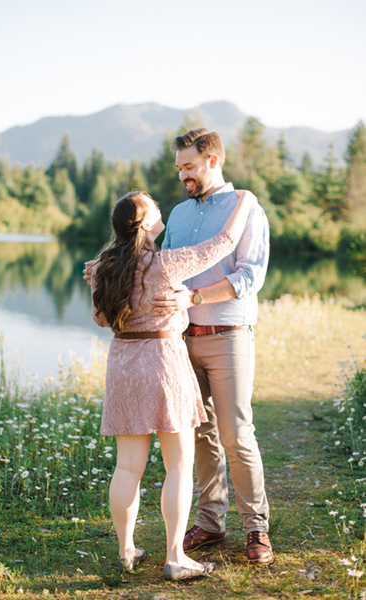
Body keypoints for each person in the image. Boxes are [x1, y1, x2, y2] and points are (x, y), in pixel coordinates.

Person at [89, 187, 256, 581]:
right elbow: (224, 243)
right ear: (146, 224)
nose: (162, 210)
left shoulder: (102, 268)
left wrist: (99, 274)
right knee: (178, 464)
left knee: (127, 466)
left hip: (123, 365)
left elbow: (100, 319)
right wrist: (245, 200)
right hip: (163, 362)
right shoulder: (166, 264)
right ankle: (175, 557)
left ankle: (126, 550)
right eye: (155, 209)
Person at [151, 128, 272, 564]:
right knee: (200, 434)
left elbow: (249, 277)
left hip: (229, 337)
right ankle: (210, 523)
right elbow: (161, 267)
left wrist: (197, 297)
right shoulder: (179, 214)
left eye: (189, 166)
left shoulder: (245, 208)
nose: (182, 173)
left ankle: (256, 529)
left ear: (213, 161)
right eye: (179, 166)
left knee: (237, 434)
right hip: (181, 341)